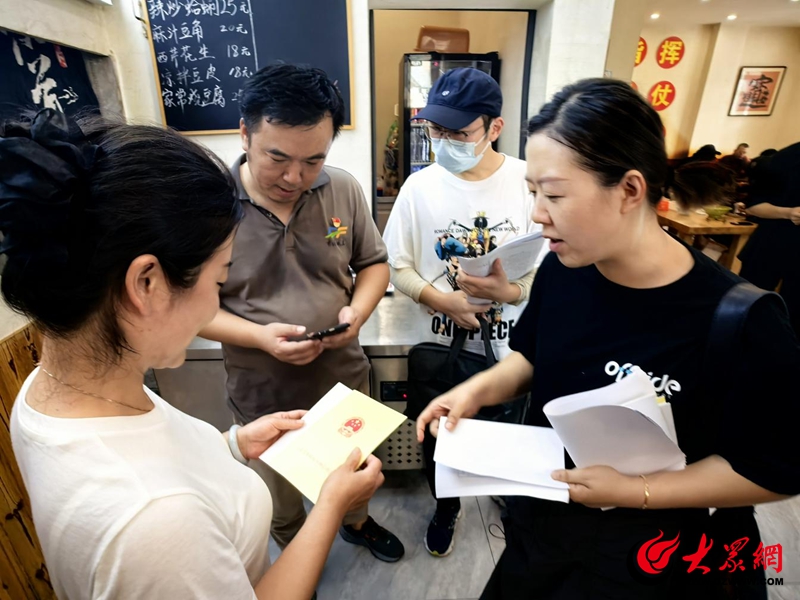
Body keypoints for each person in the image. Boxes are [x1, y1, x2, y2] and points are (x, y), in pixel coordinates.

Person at [416, 79, 800, 599]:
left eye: (554, 194)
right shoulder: (564, 270)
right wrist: (475, 391)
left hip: (662, 561)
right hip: (548, 535)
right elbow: (534, 356)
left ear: (630, 190)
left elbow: (775, 471)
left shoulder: (741, 317)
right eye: (533, 192)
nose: (537, 213)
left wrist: (639, 491)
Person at [2, 108, 385, 600]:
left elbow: (160, 454)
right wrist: (329, 506)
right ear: (147, 283)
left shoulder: (49, 391)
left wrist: (233, 445)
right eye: (220, 280)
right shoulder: (160, 525)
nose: (214, 306)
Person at [198, 63, 404, 562]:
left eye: (314, 160)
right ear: (245, 134)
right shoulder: (208, 206)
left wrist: (357, 313)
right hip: (262, 392)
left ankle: (357, 522)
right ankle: (293, 554)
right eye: (278, 158)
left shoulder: (343, 189)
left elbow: (374, 264)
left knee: (353, 469)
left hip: (342, 379)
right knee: (279, 494)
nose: (294, 177)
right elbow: (193, 309)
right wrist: (260, 338)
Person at [383, 67, 546, 558]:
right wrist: (441, 300)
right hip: (441, 346)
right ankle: (447, 507)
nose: (445, 142)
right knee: (441, 438)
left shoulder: (526, 182)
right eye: (436, 130)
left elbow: (551, 266)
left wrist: (511, 291)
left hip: (511, 347)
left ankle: (504, 494)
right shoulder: (419, 188)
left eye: (459, 133)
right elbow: (397, 266)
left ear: (494, 128)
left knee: (508, 430)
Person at [739, 142, 800, 336]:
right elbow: (753, 206)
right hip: (770, 244)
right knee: (747, 307)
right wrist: (789, 212)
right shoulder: (785, 160)